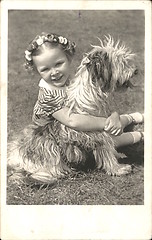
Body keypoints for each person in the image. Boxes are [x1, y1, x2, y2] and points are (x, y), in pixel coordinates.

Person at [8, 32, 144, 183]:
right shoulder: (47, 96)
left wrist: (112, 116)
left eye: (59, 64)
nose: (54, 72)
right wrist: (106, 123)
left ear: (69, 58)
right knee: (108, 137)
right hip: (51, 144)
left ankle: (134, 118)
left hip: (73, 139)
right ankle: (140, 136)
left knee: (109, 132)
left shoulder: (71, 81)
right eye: (45, 69)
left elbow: (101, 111)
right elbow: (74, 122)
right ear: (36, 71)